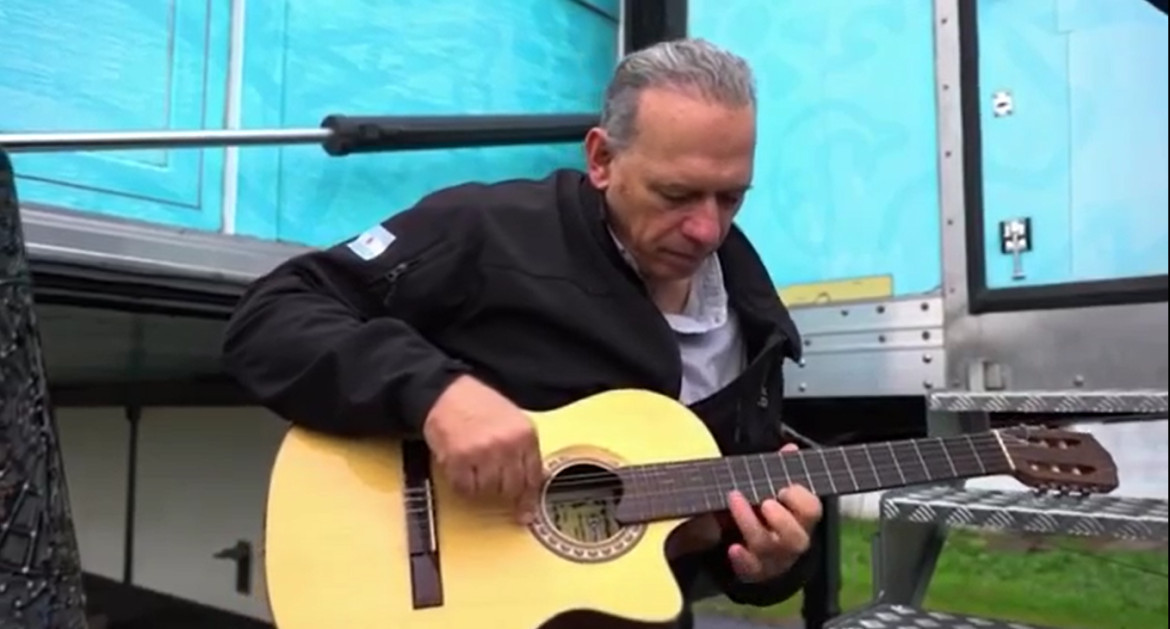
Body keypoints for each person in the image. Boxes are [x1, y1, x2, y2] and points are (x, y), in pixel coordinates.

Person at [222, 37, 822, 629]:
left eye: (731, 198)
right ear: (602, 159)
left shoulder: (751, 315)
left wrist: (771, 566)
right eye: (676, 194)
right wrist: (437, 394)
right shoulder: (488, 231)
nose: (706, 229)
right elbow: (274, 313)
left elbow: (714, 535)